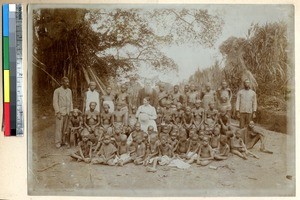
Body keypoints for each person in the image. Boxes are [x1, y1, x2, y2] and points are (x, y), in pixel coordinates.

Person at [53, 77, 73, 148]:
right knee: (59, 128)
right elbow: (55, 102)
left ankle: (64, 141)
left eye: (68, 82)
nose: (67, 84)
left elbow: (71, 101)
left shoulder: (69, 91)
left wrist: (71, 111)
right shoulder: (57, 91)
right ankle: (58, 142)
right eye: (66, 82)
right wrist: (57, 112)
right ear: (62, 83)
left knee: (65, 128)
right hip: (60, 112)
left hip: (67, 112)